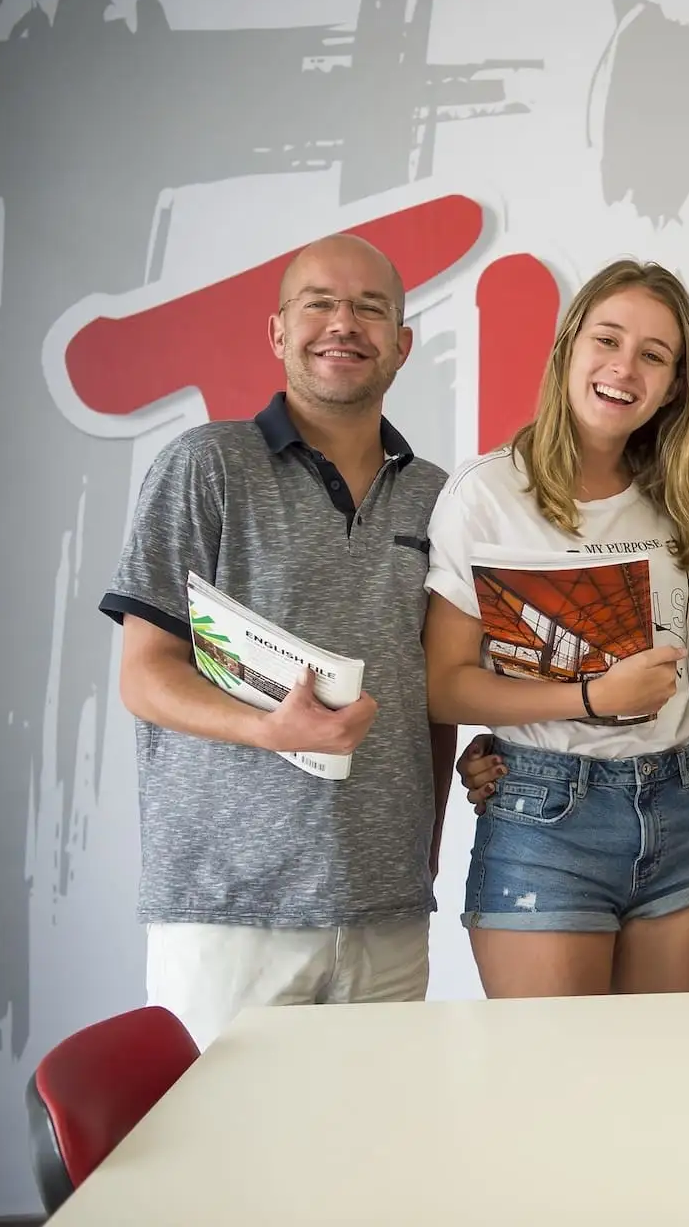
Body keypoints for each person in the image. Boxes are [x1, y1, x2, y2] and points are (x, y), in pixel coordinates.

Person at [102, 234, 455, 1048]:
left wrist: (423, 860)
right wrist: (269, 727)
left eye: (371, 308)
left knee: (368, 1165)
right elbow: (145, 676)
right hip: (229, 912)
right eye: (320, 304)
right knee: (221, 1170)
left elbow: (434, 696)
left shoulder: (438, 497)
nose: (345, 324)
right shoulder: (205, 466)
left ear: (402, 344)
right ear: (277, 332)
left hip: (387, 915)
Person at [424, 259, 689, 998]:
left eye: (654, 356)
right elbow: (444, 687)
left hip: (680, 805)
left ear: (676, 385)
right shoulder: (486, 494)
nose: (625, 368)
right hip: (543, 819)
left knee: (663, 1087)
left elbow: (685, 668)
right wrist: (590, 700)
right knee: (553, 1096)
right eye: (608, 340)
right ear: (567, 349)